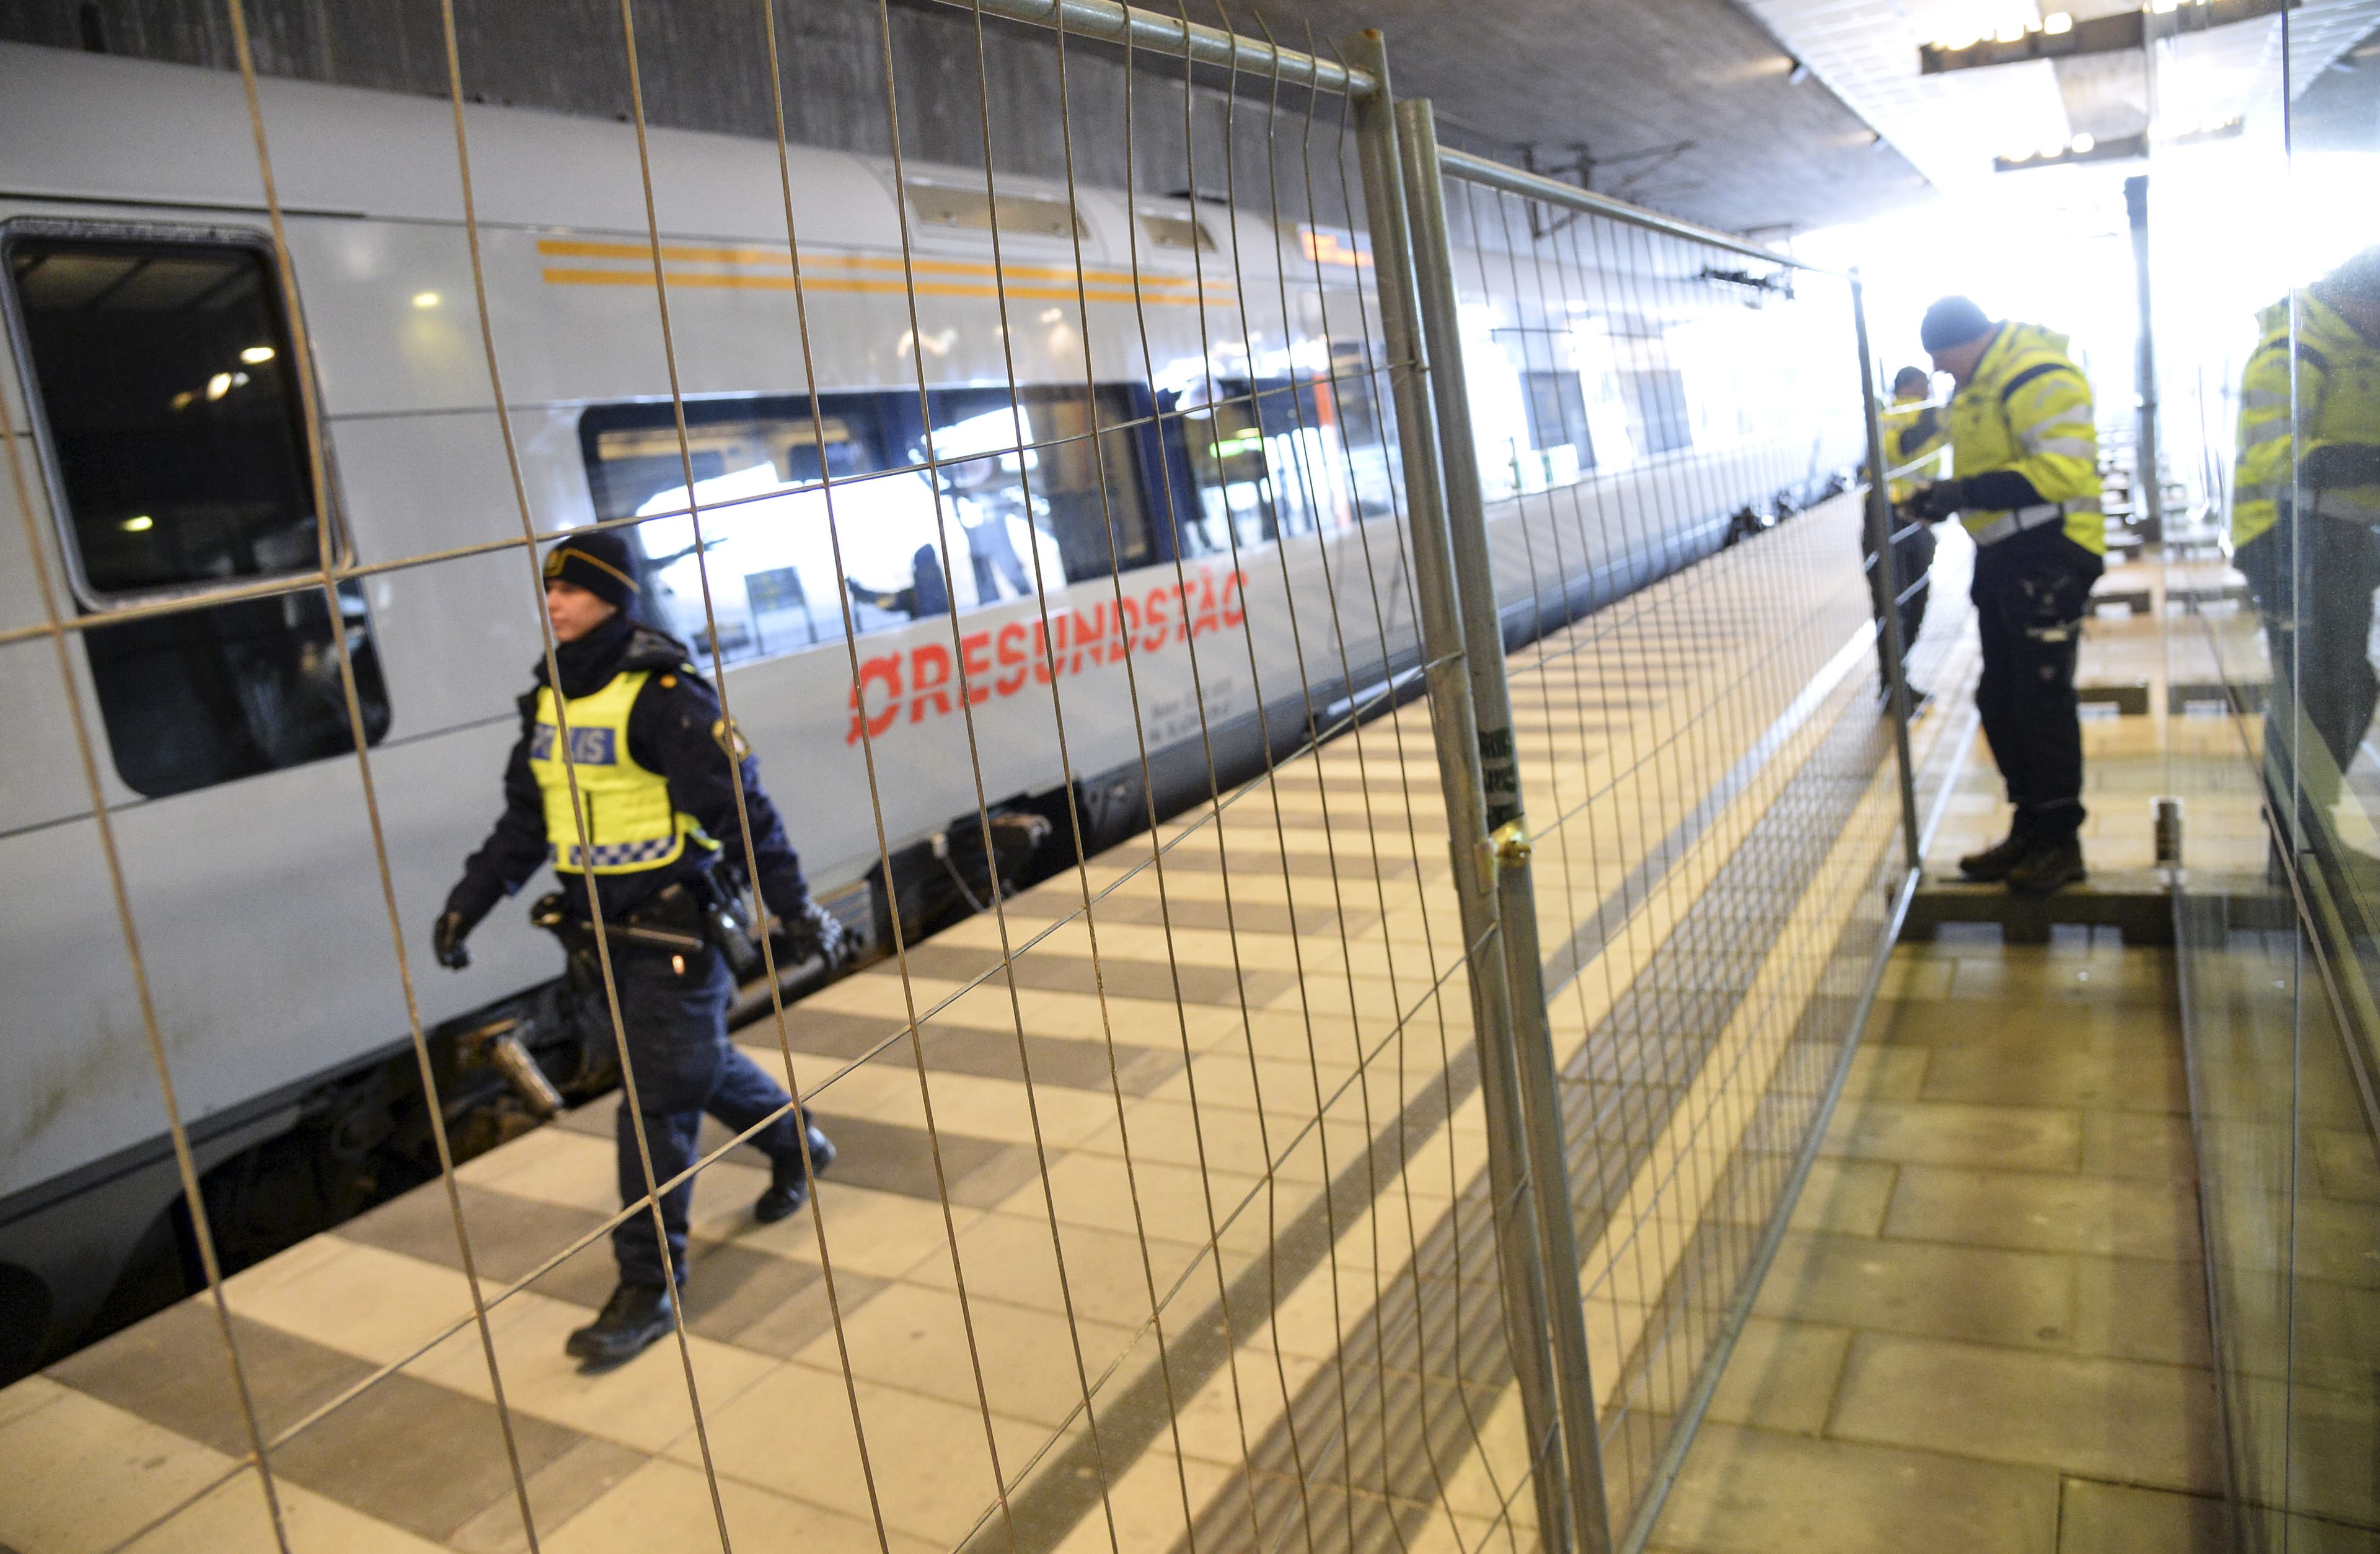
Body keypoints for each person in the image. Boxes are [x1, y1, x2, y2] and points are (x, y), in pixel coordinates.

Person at [433, 529, 848, 1366]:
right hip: (600, 937)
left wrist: (795, 909)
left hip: (673, 931)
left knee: (655, 1101)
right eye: (551, 590)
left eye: (575, 590)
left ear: (615, 599)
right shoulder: (551, 695)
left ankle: (649, 1285)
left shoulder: (666, 697)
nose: (555, 602)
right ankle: (798, 1145)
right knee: (692, 1066)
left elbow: (745, 812)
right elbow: (528, 818)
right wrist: (468, 904)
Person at [1903, 296, 2106, 894]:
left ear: (1973, 339)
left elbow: (2063, 473)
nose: (1941, 372)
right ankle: (2030, 826)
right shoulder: (1978, 386)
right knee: (2002, 698)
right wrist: (1942, 495)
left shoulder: (2037, 375)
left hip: (2052, 554)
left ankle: (2060, 842)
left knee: (2041, 699)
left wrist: (1960, 492)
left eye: (1944, 359)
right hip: (2005, 558)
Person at [2233, 248, 2380, 878]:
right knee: (2315, 692)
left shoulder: (2355, 348)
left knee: (2343, 687)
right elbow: (2277, 460)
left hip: (2341, 543)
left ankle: (2305, 831)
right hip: (2288, 541)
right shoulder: (2295, 348)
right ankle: (2294, 844)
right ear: (2360, 302)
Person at [1869, 365, 1948, 702]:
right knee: (1896, 603)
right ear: (1910, 386)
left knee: (1911, 599)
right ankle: (1895, 688)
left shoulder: (1927, 413)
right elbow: (1900, 448)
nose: (1929, 390)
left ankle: (1899, 682)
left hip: (1915, 517)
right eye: (1925, 384)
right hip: (1888, 516)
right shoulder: (1895, 417)